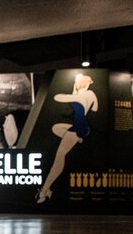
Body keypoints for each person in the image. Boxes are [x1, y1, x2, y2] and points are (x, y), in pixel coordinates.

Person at [37, 73, 98, 203]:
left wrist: (74, 90)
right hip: (84, 128)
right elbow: (95, 109)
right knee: (56, 128)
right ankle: (78, 138)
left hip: (78, 129)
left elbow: (57, 97)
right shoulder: (91, 94)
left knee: (59, 157)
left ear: (78, 84)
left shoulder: (75, 97)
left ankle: (45, 190)